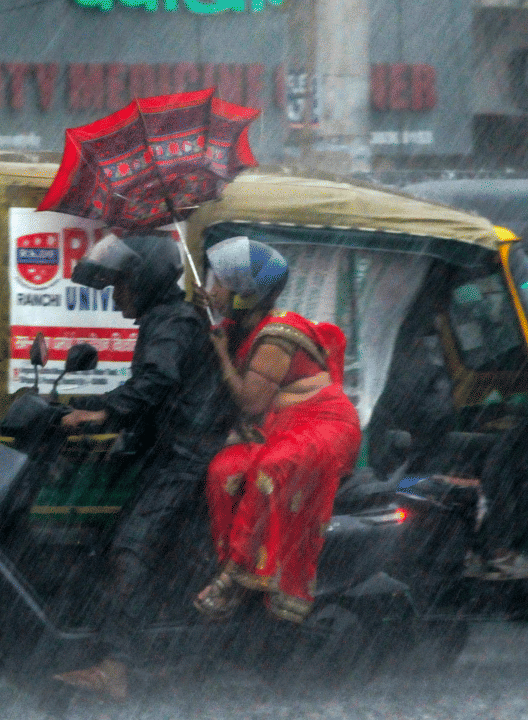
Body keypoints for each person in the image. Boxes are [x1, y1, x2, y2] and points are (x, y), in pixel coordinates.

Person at [50, 231, 232, 700]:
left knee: (130, 551)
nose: (114, 296)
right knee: (122, 543)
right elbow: (159, 390)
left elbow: (158, 378)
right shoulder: (167, 318)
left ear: (146, 281)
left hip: (185, 458)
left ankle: (116, 666)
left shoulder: (171, 321)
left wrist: (105, 411)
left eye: (121, 285)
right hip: (171, 450)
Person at [192, 236, 361, 624]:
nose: (212, 289)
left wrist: (220, 352)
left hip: (321, 424)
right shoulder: (241, 323)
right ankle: (240, 568)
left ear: (245, 295)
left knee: (273, 468)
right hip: (277, 427)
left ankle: (235, 576)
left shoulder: (274, 337)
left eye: (220, 284)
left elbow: (251, 403)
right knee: (224, 471)